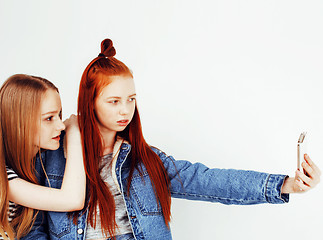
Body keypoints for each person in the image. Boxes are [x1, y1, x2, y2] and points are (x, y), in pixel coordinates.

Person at [22, 39, 320, 240]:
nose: (126, 110)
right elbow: (32, 228)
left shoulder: (143, 160)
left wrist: (283, 184)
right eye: (114, 101)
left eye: (131, 99)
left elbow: (207, 180)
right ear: (91, 102)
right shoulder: (50, 159)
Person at [0, 75, 86, 240]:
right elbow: (73, 199)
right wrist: (75, 135)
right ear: (19, 123)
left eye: (60, 115)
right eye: (49, 118)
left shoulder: (34, 166)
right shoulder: (4, 176)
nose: (61, 126)